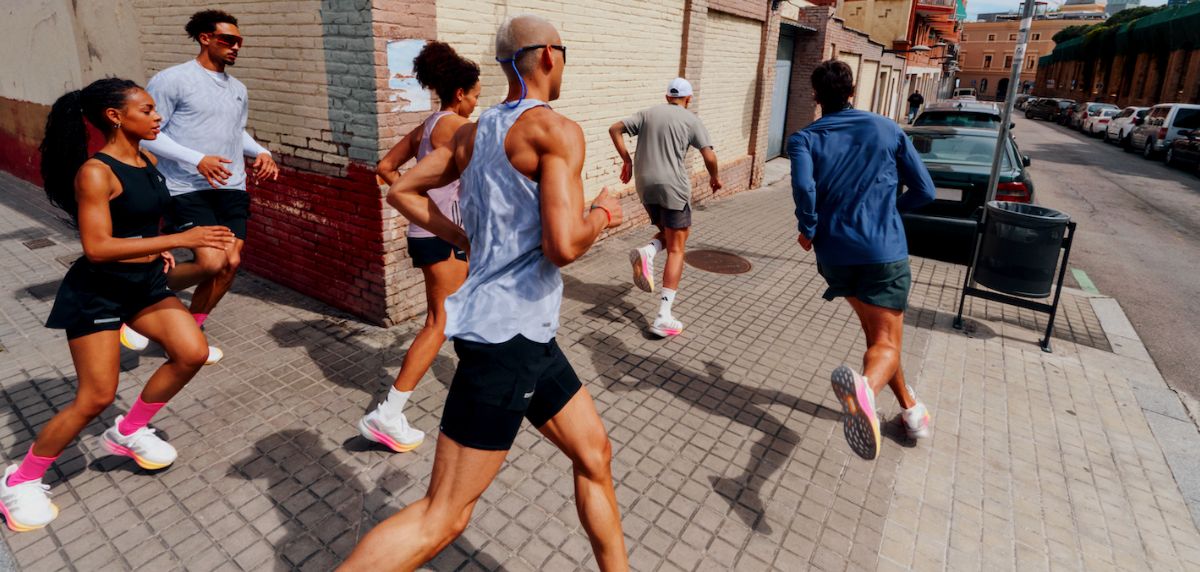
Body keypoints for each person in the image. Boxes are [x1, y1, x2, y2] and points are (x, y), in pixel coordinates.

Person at [339, 15, 628, 571]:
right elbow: (563, 246)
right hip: (506, 343)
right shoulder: (555, 130)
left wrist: (463, 235)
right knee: (442, 516)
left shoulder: (474, 132)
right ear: (548, 55)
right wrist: (603, 214)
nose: (564, 63)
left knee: (595, 453)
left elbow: (400, 187)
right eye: (564, 52)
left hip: (528, 336)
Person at [0, 79, 235, 532]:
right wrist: (180, 240)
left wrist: (154, 245)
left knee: (192, 353)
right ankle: (19, 479)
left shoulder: (146, 158)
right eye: (146, 110)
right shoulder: (96, 171)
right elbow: (96, 248)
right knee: (96, 397)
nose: (156, 116)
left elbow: (137, 220)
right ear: (115, 116)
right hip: (99, 290)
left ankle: (126, 432)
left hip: (143, 282)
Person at [788, 60, 936, 460]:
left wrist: (810, 225)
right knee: (886, 342)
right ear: (852, 90)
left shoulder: (803, 139)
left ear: (816, 97)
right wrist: (890, 210)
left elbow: (803, 186)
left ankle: (912, 411)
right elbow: (925, 190)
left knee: (879, 339)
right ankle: (865, 391)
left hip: (834, 255)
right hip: (882, 253)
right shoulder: (887, 128)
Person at [121, 9, 279, 362]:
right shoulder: (173, 80)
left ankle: (189, 330)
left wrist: (262, 151)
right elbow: (148, 136)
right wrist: (197, 159)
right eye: (228, 39)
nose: (236, 46)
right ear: (205, 38)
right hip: (186, 187)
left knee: (231, 263)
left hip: (232, 186)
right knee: (210, 263)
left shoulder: (238, 88)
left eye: (239, 41)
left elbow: (234, 131)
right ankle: (136, 298)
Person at [358, 41, 481, 453]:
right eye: (476, 97)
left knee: (459, 313)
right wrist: (435, 213)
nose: (476, 106)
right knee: (439, 322)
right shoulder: (455, 127)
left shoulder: (426, 126)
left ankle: (479, 383)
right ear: (460, 93)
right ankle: (387, 415)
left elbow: (385, 169)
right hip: (444, 237)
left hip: (430, 233)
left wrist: (421, 207)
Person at [609, 78, 720, 338]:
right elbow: (709, 155)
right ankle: (663, 317)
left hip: (645, 186)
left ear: (667, 96)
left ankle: (648, 251)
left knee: (671, 235)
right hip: (673, 187)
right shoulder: (691, 120)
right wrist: (714, 177)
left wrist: (627, 160)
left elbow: (614, 129)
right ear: (688, 99)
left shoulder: (648, 114)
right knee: (677, 248)